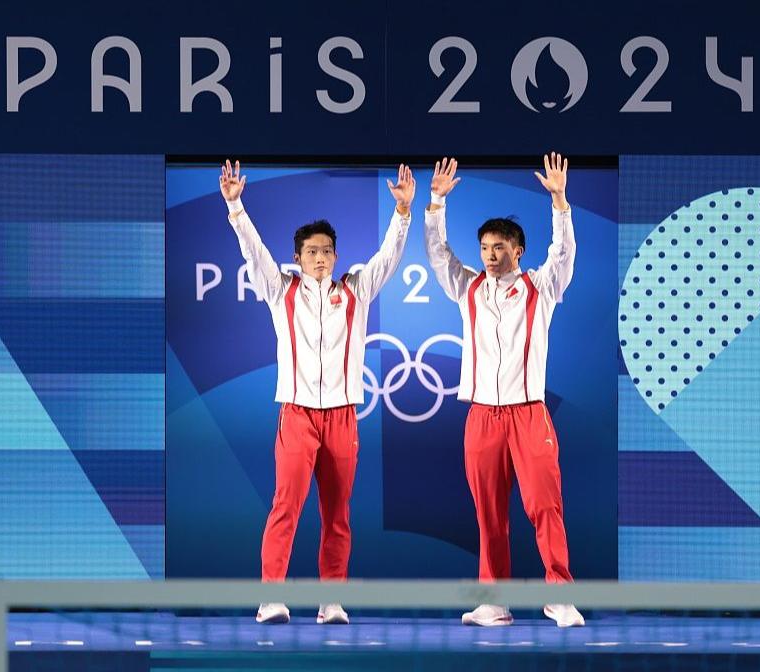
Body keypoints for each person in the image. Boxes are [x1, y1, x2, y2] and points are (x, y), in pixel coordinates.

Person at [220, 160, 415, 624]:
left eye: (327, 250)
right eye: (312, 251)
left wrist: (403, 213)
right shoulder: (280, 290)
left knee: (337, 514)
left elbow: (388, 257)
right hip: (297, 415)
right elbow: (254, 252)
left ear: (336, 255)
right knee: (285, 507)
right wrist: (235, 207)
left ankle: (331, 601)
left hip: (343, 416)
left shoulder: (356, 290)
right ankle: (271, 597)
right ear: (298, 257)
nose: (321, 258)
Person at [424, 154, 585, 628]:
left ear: (519, 250)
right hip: (481, 417)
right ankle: (494, 602)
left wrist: (560, 202)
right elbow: (439, 254)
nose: (490, 255)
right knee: (489, 514)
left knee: (544, 506)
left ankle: (560, 597)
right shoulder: (469, 289)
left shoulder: (541, 287)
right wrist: (436, 204)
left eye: (499, 247)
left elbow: (563, 252)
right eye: (484, 248)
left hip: (528, 414)